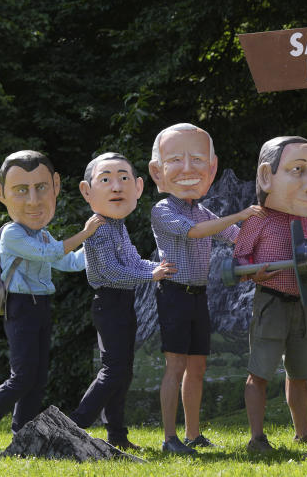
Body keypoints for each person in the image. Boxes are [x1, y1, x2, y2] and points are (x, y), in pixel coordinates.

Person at [0, 151, 102, 455]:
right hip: (20, 307)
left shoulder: (41, 233)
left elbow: (68, 261)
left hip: (41, 306)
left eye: (40, 188)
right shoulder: (12, 233)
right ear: (2, 195)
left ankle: (21, 437)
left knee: (36, 378)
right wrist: (86, 232)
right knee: (21, 376)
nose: (33, 200)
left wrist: (100, 250)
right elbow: (52, 254)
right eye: (22, 190)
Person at [148, 123, 261, 455]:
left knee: (197, 366)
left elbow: (235, 236)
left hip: (198, 296)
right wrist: (239, 214)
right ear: (158, 172)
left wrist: (263, 239)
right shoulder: (163, 210)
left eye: (197, 159)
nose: (187, 169)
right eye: (176, 160)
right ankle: (170, 437)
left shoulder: (200, 209)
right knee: (176, 365)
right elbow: (198, 232)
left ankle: (193, 434)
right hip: (173, 295)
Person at [68, 152, 177, 451]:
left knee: (123, 370)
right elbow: (112, 272)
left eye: (123, 179)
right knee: (114, 369)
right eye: (106, 180)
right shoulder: (99, 227)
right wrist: (151, 275)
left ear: (137, 187)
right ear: (88, 190)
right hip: (109, 302)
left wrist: (157, 268)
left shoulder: (116, 224)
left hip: (121, 302)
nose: (116, 187)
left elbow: (130, 260)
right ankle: (75, 424)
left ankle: (116, 435)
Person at [233, 136, 307, 454]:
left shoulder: (302, 219)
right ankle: (256, 437)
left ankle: (303, 432)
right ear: (266, 176)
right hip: (270, 299)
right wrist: (251, 271)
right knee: (260, 370)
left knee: (299, 373)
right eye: (298, 169)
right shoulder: (258, 218)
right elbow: (239, 259)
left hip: (300, 301)